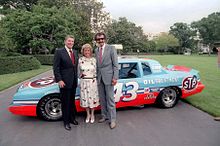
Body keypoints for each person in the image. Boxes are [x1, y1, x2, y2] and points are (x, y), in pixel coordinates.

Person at [53, 35, 79, 131]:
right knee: (65, 103)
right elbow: (56, 68)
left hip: (73, 82)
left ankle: (72, 119)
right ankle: (66, 122)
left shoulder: (75, 52)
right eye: (69, 41)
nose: (71, 43)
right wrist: (59, 80)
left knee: (72, 102)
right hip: (64, 82)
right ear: (65, 41)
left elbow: (75, 67)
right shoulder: (59, 52)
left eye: (72, 41)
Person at [94, 32, 119, 129]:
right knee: (102, 99)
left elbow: (116, 65)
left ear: (105, 39)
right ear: (96, 40)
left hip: (109, 78)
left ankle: (112, 119)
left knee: (110, 99)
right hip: (99, 78)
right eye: (98, 39)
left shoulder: (111, 48)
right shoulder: (96, 50)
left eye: (102, 38)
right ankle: (104, 116)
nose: (100, 40)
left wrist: (115, 77)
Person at [78, 44, 99, 123]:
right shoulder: (80, 60)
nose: (87, 52)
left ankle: (92, 114)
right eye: (85, 50)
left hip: (92, 82)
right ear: (83, 51)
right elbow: (78, 72)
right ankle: (88, 114)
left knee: (92, 99)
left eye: (88, 50)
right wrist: (81, 78)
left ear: (91, 51)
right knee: (85, 99)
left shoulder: (94, 60)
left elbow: (97, 71)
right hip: (84, 83)